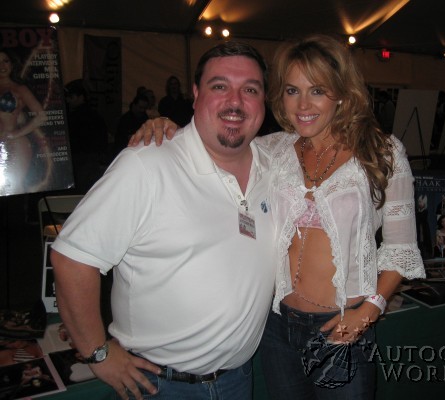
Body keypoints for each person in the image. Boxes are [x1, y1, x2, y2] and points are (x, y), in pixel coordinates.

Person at [132, 34, 425, 398]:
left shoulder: (382, 153)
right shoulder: (271, 149)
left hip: (343, 325)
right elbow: (212, 143)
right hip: (277, 328)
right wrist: (165, 127)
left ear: (341, 93)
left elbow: (400, 249)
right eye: (292, 91)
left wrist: (367, 313)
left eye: (317, 90)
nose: (303, 104)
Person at [51, 41, 275, 400]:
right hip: (161, 386)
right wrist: (98, 352)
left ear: (264, 100)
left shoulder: (275, 162)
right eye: (220, 86)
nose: (235, 102)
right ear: (196, 95)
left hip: (238, 378)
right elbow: (72, 258)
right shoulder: (147, 165)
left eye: (250, 89)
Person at [0, 48, 49, 196]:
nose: (2, 65)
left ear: (12, 64)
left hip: (14, 143)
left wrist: (16, 134)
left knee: (15, 188)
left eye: (5, 61)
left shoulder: (19, 89)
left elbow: (41, 116)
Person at [64, 79, 109, 193]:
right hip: (89, 160)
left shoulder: (74, 116)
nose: (68, 100)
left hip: (81, 161)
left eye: (71, 97)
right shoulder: (94, 115)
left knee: (80, 190)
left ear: (81, 97)